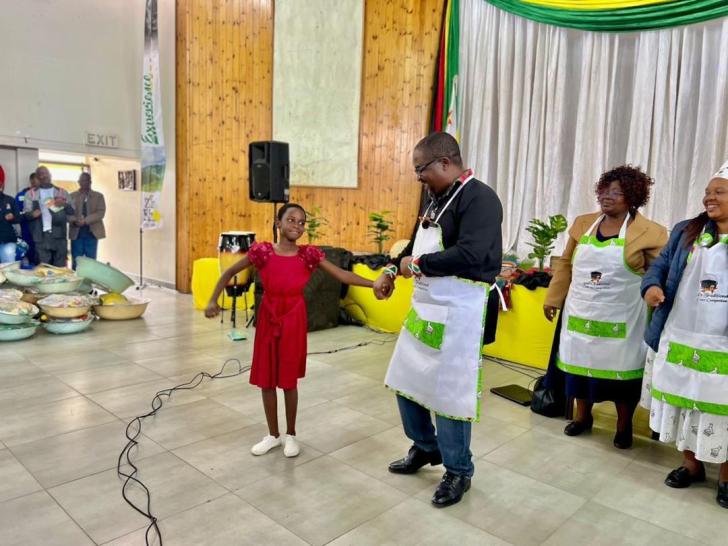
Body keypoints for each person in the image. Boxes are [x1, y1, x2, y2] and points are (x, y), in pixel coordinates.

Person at [373, 132, 503, 508]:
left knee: (449, 394)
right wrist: (391, 269)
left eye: (421, 169)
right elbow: (413, 246)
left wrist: (416, 265)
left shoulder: (480, 198)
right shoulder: (436, 200)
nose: (418, 177)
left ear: (445, 163)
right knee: (405, 378)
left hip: (461, 311)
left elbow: (472, 254)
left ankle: (458, 470)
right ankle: (425, 446)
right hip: (426, 309)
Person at [204, 203, 374, 457]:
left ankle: (291, 434)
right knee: (267, 379)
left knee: (288, 380)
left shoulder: (308, 255)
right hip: (268, 317)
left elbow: (342, 275)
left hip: (293, 319)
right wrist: (212, 300)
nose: (297, 225)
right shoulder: (262, 252)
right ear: (278, 223)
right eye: (291, 220)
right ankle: (273, 435)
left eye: (301, 222)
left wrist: (374, 283)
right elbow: (229, 271)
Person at [544, 165, 667, 449]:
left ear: (632, 197)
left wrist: (658, 294)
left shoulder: (651, 232)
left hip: (624, 319)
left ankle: (623, 426)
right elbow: (566, 264)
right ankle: (582, 417)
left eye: (616, 192)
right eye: (604, 190)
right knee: (580, 371)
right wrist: (553, 298)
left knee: (622, 380)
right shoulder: (582, 224)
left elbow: (658, 271)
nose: (606, 197)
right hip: (581, 312)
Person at [640, 161, 728, 508]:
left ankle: (726, 475)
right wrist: (651, 287)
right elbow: (659, 267)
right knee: (683, 400)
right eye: (707, 192)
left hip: (722, 341)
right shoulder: (686, 231)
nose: (710, 197)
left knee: (722, 410)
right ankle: (691, 465)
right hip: (681, 334)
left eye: (719, 191)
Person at [22, 166, 74, 267]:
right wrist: (32, 214)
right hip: (40, 236)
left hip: (59, 235)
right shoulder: (30, 194)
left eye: (45, 173)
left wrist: (64, 204)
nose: (43, 176)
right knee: (44, 268)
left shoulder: (62, 192)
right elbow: (26, 214)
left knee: (60, 268)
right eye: (40, 174)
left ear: (50, 175)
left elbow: (72, 211)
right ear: (37, 177)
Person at [69, 172, 106, 269]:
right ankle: (76, 278)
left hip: (92, 234)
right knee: (76, 262)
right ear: (78, 182)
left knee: (91, 262)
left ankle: (89, 279)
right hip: (76, 234)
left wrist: (85, 221)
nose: (84, 182)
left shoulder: (98, 196)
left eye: (86, 180)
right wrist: (75, 220)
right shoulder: (72, 196)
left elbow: (100, 213)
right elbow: (67, 213)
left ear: (90, 182)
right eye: (82, 180)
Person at [15, 172, 39, 266]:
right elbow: (17, 215)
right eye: (33, 182)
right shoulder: (21, 195)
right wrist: (28, 215)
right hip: (26, 229)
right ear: (30, 182)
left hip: (41, 231)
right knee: (27, 253)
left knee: (40, 256)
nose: (34, 184)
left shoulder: (45, 195)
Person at [0, 176, 20, 264]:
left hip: (7, 240)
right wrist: (3, 216)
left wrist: (13, 217)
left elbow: (18, 218)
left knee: (9, 267)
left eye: (1, 183)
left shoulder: (10, 199)